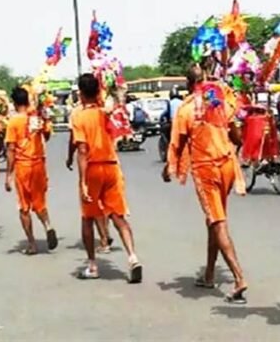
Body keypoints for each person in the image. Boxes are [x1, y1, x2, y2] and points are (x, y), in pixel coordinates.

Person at [163, 65, 249, 304]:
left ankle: (239, 279)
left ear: (188, 84)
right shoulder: (219, 103)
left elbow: (177, 144)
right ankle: (210, 274)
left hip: (206, 169)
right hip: (227, 166)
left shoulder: (186, 110)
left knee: (217, 222)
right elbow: (237, 137)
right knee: (213, 220)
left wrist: (169, 168)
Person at [69, 73, 143, 282]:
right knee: (118, 215)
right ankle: (133, 257)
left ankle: (92, 266)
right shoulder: (106, 113)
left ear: (81, 94)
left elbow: (82, 149)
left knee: (87, 218)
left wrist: (83, 181)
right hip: (111, 166)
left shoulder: (78, 116)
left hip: (93, 169)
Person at [3, 86, 58, 255]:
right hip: (39, 164)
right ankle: (48, 225)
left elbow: (11, 149)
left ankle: (32, 244)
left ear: (14, 102)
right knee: (40, 202)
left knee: (24, 207)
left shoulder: (13, 122)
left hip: (23, 166)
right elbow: (46, 136)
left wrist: (8, 174)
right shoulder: (36, 118)